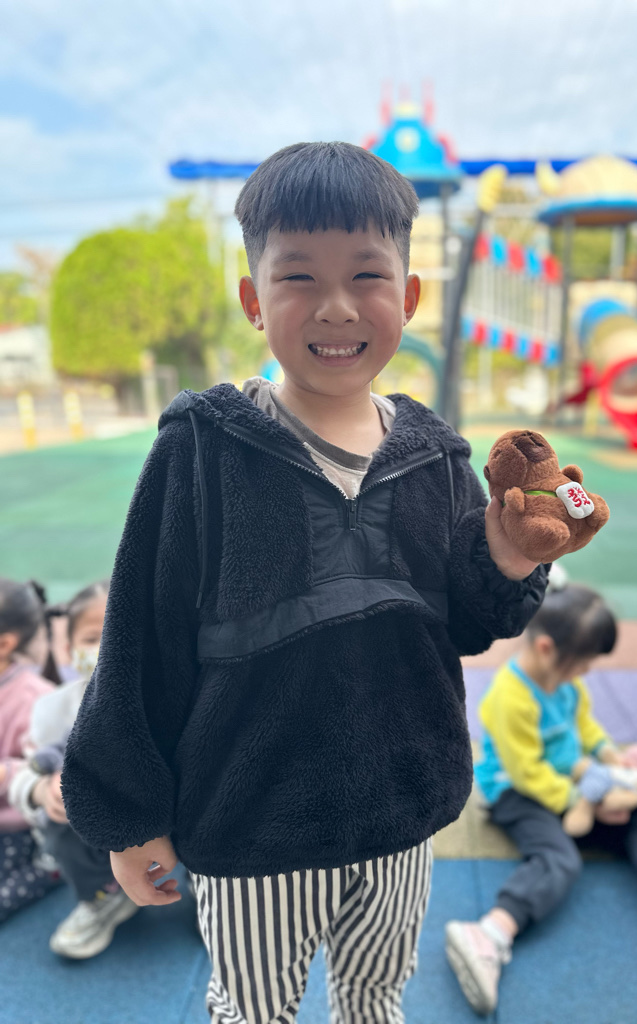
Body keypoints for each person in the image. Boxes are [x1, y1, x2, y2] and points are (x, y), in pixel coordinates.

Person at [62, 141, 550, 1023]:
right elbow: (140, 635)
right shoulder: (203, 449)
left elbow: (470, 620)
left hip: (401, 810)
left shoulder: (435, 455)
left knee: (375, 999)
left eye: (367, 275)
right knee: (253, 1008)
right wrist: (128, 814)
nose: (336, 306)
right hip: (253, 821)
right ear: (253, 300)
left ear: (409, 295)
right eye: (298, 277)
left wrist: (510, 556)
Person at [445, 584, 637, 1018]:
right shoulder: (510, 697)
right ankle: (490, 931)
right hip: (519, 794)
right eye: (583, 662)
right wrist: (588, 802)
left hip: (575, 783)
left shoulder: (566, 682)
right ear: (546, 648)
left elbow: (587, 728)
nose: (586, 671)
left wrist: (613, 760)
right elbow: (527, 772)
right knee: (558, 859)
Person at [10, 580, 135, 956]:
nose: (107, 646)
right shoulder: (52, 710)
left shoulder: (171, 698)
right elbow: (28, 770)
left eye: (120, 633)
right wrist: (40, 791)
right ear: (68, 648)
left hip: (162, 813)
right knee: (58, 828)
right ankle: (102, 894)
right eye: (92, 638)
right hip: (94, 818)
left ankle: (206, 885)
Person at [0, 577, 59, 923]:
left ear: (4, 644)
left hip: (17, 829)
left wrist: (7, 772)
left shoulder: (35, 700)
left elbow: (48, 771)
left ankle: (50, 867)